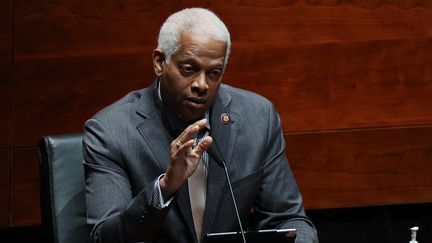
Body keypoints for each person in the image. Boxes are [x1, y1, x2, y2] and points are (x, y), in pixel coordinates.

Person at [83, 7, 318, 243]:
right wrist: (164, 188)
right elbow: (105, 237)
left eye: (214, 73)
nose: (202, 85)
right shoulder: (111, 131)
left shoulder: (257, 117)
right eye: (189, 69)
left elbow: (289, 220)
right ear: (159, 63)